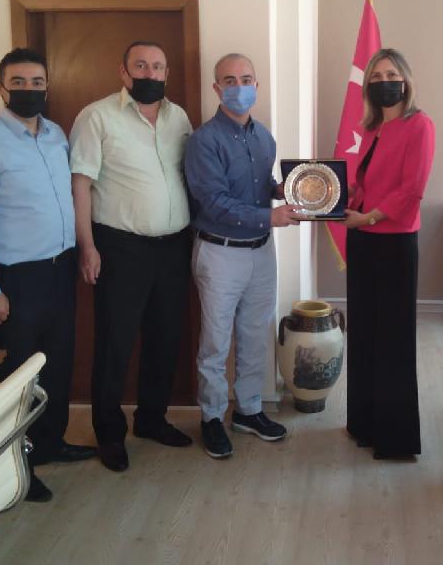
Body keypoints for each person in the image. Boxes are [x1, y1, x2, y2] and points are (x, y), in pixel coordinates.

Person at [0, 47, 95, 504]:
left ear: (46, 86)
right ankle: (13, 465)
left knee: (56, 365)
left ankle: (50, 443)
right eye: (18, 82)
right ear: (0, 88)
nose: (29, 90)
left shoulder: (56, 135)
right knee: (17, 376)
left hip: (59, 271)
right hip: (16, 278)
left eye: (37, 82)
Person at [70, 41, 194, 473]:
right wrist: (87, 246)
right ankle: (109, 433)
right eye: (140, 65)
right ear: (124, 72)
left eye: (157, 66)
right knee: (115, 342)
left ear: (166, 73)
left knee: (165, 337)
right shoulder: (97, 117)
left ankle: (151, 419)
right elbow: (80, 184)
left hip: (174, 246)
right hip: (120, 247)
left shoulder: (179, 118)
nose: (149, 73)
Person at [184, 53, 300, 460]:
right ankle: (212, 417)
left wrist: (282, 191)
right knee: (215, 342)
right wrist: (270, 216)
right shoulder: (204, 141)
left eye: (246, 79)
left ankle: (248, 410)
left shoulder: (264, 137)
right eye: (229, 80)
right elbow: (214, 202)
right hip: (221, 252)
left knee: (254, 334)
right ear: (216, 88)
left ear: (257, 85)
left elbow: (258, 185)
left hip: (261, 251)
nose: (239, 87)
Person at [343, 48, 435, 460]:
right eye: (376, 76)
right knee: (364, 332)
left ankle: (394, 438)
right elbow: (365, 184)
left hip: (393, 241)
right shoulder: (372, 128)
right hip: (363, 239)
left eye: (391, 74)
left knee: (392, 339)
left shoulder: (420, 125)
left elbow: (412, 189)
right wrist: (334, 196)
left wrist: (368, 217)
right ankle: (364, 424)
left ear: (406, 81)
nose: (384, 82)